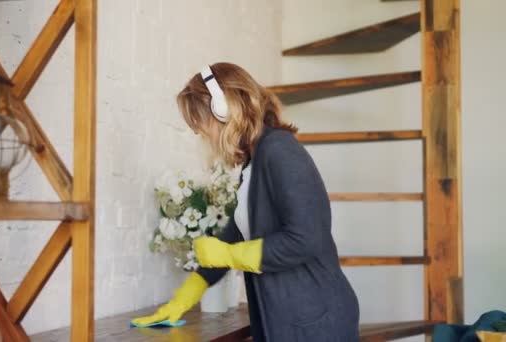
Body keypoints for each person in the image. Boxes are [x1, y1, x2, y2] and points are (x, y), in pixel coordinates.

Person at [133, 62, 360, 341]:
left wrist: (228, 256)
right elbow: (234, 236)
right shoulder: (254, 162)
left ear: (224, 109)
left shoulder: (280, 150)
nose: (199, 133)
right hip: (284, 318)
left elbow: (306, 238)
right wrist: (183, 299)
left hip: (314, 321)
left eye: (200, 121)